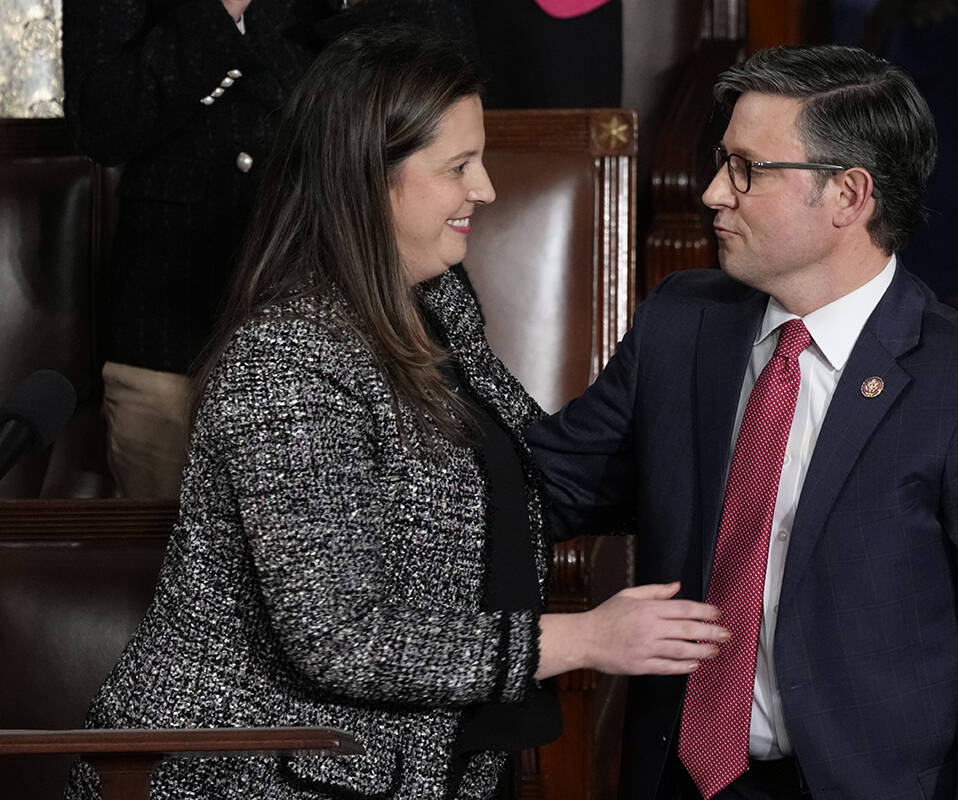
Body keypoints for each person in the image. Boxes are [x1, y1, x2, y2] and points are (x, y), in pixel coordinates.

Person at [65, 25, 726, 800]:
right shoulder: (287, 360)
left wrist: (696, 380)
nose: (484, 188)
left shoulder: (436, 302)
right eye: (459, 166)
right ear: (367, 178)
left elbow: (533, 472)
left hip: (416, 765)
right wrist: (584, 637)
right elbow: (338, 638)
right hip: (258, 773)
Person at [526, 45, 958, 800]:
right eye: (723, 161)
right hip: (680, 777)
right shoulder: (682, 322)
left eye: (748, 169)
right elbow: (548, 487)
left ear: (848, 197)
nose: (715, 193)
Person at [62, 0, 479, 499]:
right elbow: (101, 123)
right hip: (178, 333)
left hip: (383, 323)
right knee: (191, 569)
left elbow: (447, 86)